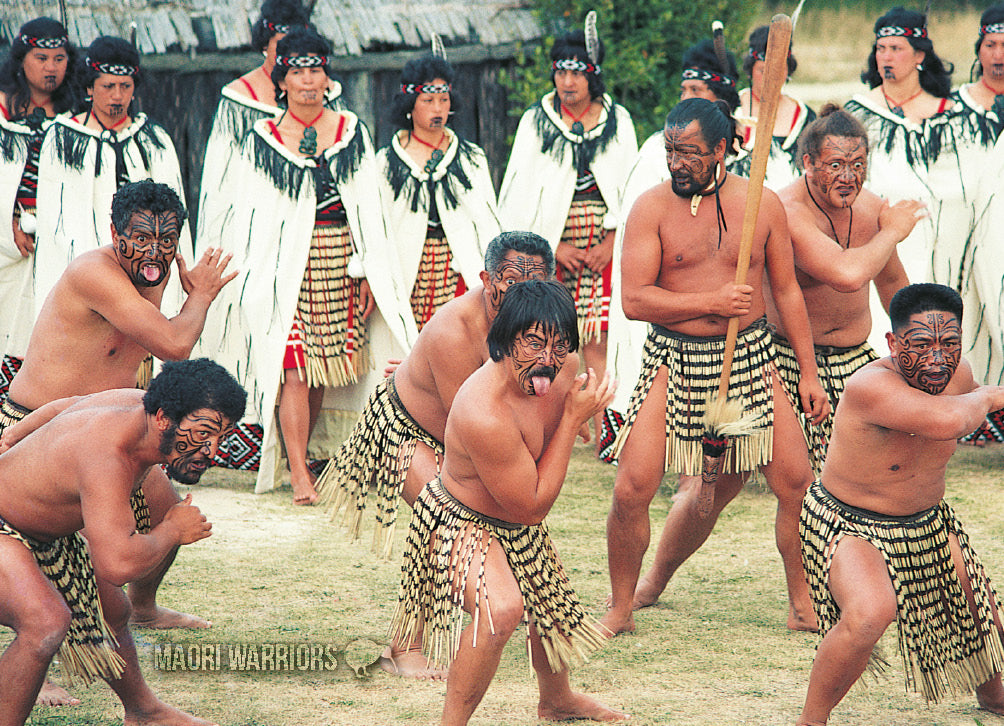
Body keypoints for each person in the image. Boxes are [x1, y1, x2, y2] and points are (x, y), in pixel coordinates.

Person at [601, 98, 829, 636]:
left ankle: (802, 603)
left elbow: (787, 291)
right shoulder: (649, 208)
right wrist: (709, 302)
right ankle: (620, 605)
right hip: (672, 359)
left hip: (748, 357)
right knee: (633, 486)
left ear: (721, 150)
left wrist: (809, 372)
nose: (677, 162)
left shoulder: (761, 204)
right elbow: (635, 300)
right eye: (670, 150)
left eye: (690, 153)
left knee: (796, 483)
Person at [0, 180, 235, 704]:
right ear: (114, 234)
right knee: (44, 554)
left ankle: (143, 607)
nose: (154, 252)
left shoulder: (150, 275)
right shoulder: (95, 272)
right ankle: (32, 654)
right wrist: (200, 295)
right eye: (141, 240)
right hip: (38, 428)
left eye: (166, 241)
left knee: (162, 507)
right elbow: (174, 342)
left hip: (111, 428)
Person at [315, 231, 553, 678]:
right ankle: (405, 647)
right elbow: (464, 425)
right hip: (404, 432)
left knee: (469, 514)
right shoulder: (456, 329)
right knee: (446, 515)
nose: (520, 294)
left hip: (456, 437)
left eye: (532, 284)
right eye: (510, 281)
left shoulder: (539, 326)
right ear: (487, 278)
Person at [389, 280, 626, 725]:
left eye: (559, 345)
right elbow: (533, 507)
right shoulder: (485, 411)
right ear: (504, 341)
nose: (547, 360)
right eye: (533, 343)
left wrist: (571, 414)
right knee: (501, 608)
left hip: (514, 517)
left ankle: (557, 700)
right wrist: (574, 418)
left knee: (548, 599)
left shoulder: (562, 369)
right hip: (456, 519)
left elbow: (535, 475)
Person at [221, 27, 415, 504]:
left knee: (323, 369)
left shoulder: (351, 131)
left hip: (340, 262)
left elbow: (368, 206)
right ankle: (301, 476)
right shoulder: (261, 139)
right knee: (293, 370)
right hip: (285, 268)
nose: (308, 80)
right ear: (281, 80)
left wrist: (368, 266)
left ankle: (302, 456)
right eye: (298, 71)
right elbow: (249, 213)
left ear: (328, 77)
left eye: (316, 70)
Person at [798, 283, 1004, 725]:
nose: (937, 358)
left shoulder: (960, 378)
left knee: (980, 610)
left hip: (927, 522)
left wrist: (982, 392)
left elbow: (964, 401)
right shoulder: (871, 386)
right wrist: (989, 395)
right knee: (870, 614)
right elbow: (949, 419)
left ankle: (995, 696)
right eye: (922, 344)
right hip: (850, 523)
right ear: (893, 343)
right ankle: (810, 722)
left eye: (950, 344)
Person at [0, 358, 245, 726]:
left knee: (112, 609)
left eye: (221, 437)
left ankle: (144, 712)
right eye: (202, 434)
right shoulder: (108, 456)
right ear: (164, 418)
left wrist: (15, 436)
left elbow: (64, 405)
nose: (212, 450)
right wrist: (172, 530)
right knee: (45, 623)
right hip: (7, 527)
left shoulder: (136, 402)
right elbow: (117, 565)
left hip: (39, 533)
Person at [498, 18, 637, 448]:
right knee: (552, 336)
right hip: (551, 248)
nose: (567, 81)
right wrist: (552, 247)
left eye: (577, 72)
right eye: (560, 71)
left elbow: (631, 190)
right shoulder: (535, 122)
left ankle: (602, 426)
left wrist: (612, 242)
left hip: (603, 245)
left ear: (592, 75)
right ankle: (557, 421)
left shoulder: (618, 120)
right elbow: (520, 194)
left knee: (597, 335)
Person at [601, 35, 741, 461]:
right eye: (683, 90)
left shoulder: (751, 157)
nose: (685, 99)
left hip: (738, 329)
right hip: (662, 307)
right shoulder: (655, 152)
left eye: (696, 91)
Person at [774, 106, 922, 473]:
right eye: (836, 164)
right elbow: (846, 274)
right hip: (788, 359)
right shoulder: (788, 210)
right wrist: (891, 231)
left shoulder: (871, 208)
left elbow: (891, 283)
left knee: (874, 473)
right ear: (808, 162)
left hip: (855, 358)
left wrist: (918, 344)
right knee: (797, 482)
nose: (848, 176)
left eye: (858, 164)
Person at [34, 36, 190, 335]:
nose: (117, 96)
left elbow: (173, 219)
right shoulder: (64, 138)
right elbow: (57, 222)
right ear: (90, 88)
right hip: (86, 264)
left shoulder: (153, 139)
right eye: (108, 86)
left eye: (126, 86)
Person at [844, 6, 957, 350]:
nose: (886, 57)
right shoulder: (858, 112)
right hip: (880, 232)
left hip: (941, 237)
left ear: (920, 55)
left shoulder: (949, 114)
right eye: (881, 48)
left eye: (896, 49)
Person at [378, 48, 500, 331]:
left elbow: (488, 222)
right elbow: (377, 228)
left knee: (460, 346)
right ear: (411, 103)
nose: (437, 109)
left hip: (458, 270)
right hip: (409, 274)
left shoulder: (471, 157)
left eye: (443, 100)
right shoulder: (386, 162)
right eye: (428, 100)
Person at [0, 18, 78, 397]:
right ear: (21, 59)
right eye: (41, 57)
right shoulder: (2, 110)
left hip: (61, 238)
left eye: (59, 57)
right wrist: (9, 220)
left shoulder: (76, 116)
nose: (51, 67)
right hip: (9, 244)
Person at [734, 25, 817, 191]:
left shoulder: (805, 117)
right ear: (750, 71)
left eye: (778, 70)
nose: (771, 78)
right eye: (763, 71)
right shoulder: (732, 110)